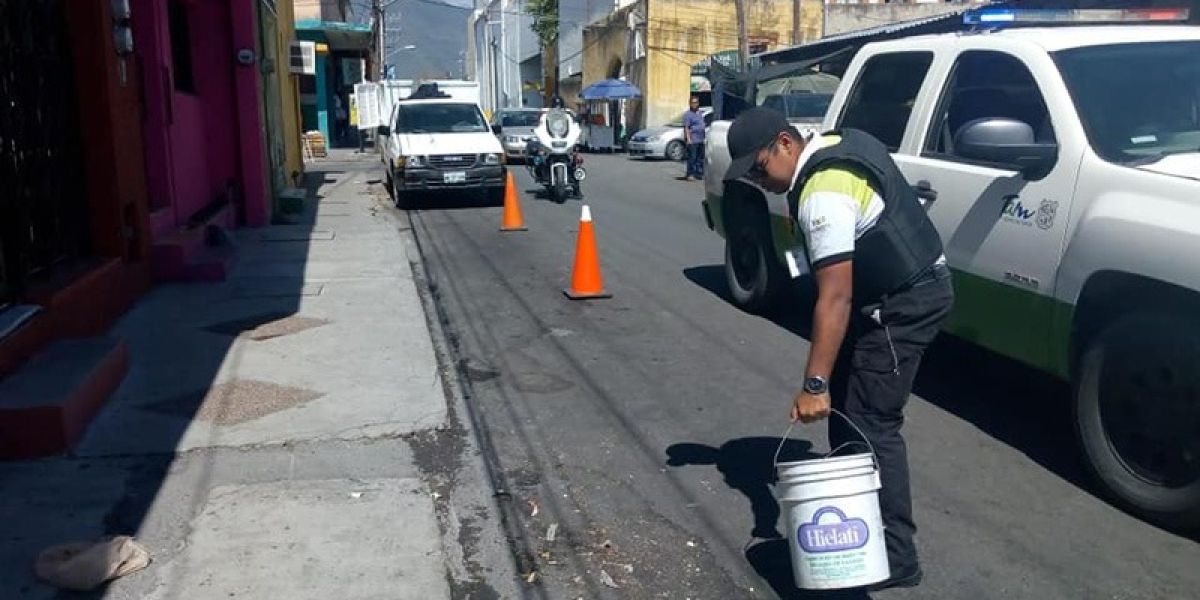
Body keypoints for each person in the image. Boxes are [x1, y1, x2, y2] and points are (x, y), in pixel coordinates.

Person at [723, 107, 953, 592]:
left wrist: (813, 384)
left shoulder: (823, 194)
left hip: (902, 303)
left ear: (785, 144)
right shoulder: (829, 145)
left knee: (872, 423)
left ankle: (896, 556)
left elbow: (835, 297)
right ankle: (858, 530)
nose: (758, 181)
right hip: (885, 292)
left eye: (759, 169)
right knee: (847, 413)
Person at [681, 96, 706, 180]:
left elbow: (702, 125)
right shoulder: (688, 115)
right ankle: (690, 174)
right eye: (693, 103)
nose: (694, 104)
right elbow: (686, 128)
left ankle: (698, 173)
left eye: (696, 103)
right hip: (693, 139)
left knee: (700, 158)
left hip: (701, 139)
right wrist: (688, 139)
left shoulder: (699, 113)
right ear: (690, 104)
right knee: (692, 158)